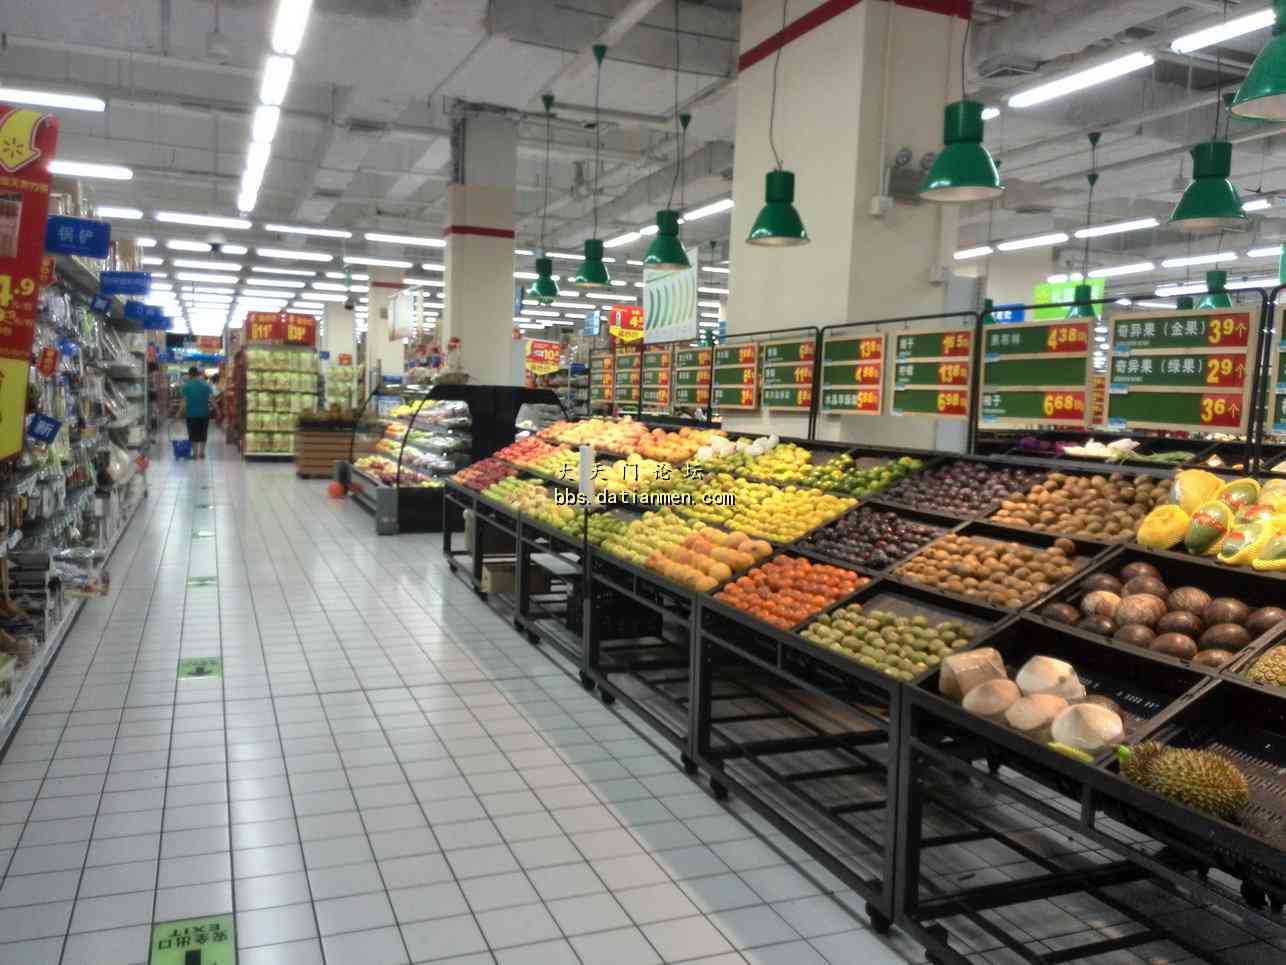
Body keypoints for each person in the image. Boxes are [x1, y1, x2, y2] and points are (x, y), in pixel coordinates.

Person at [180, 367, 217, 460]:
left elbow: (184, 401)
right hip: (204, 413)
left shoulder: (186, 386)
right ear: (197, 374)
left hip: (191, 414)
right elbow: (212, 399)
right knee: (203, 433)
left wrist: (179, 412)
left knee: (193, 434)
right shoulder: (206, 385)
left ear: (190, 374)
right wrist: (218, 410)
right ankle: (202, 452)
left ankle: (195, 453)